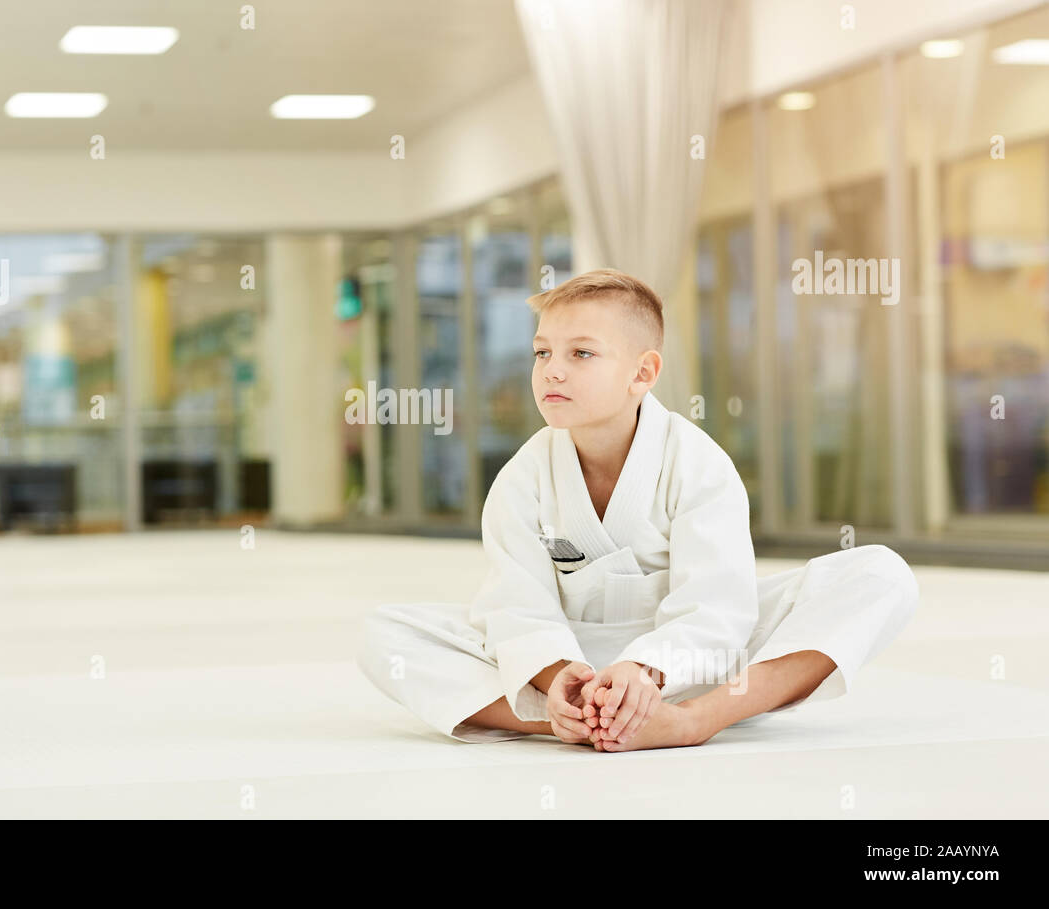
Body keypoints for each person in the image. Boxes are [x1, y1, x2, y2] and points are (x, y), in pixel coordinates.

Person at [356, 268, 919, 750]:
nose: (552, 369)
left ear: (643, 373)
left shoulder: (698, 462)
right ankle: (569, 724)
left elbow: (717, 605)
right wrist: (557, 678)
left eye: (581, 353)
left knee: (881, 574)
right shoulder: (521, 478)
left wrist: (645, 668)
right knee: (383, 633)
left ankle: (693, 722)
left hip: (694, 665)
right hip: (569, 661)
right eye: (542, 352)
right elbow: (516, 606)